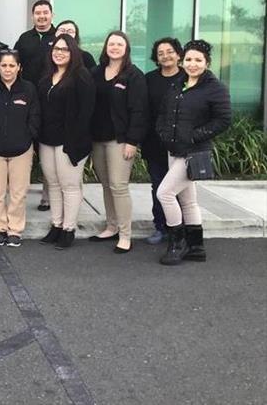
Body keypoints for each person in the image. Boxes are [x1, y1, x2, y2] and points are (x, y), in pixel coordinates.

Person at [155, 39, 231, 265]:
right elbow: (163, 113)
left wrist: (195, 136)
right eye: (189, 59)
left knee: (165, 194)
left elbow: (224, 120)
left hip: (194, 152)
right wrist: (162, 132)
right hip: (174, 149)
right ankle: (197, 247)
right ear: (182, 60)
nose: (192, 64)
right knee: (187, 200)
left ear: (206, 63)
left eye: (198, 60)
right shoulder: (178, 84)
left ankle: (177, 244)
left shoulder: (215, 88)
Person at [89, 31, 148, 254]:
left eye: (119, 44)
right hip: (97, 139)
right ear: (105, 47)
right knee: (106, 184)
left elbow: (139, 111)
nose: (114, 47)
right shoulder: (96, 73)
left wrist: (132, 141)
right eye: (111, 44)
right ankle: (111, 226)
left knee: (118, 185)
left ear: (126, 49)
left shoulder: (133, 75)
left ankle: (125, 234)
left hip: (120, 140)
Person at [38, 34, 96, 249]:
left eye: (64, 49)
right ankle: (56, 224)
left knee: (69, 186)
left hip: (70, 142)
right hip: (47, 141)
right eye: (56, 49)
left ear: (73, 52)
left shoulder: (81, 77)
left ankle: (68, 228)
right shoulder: (47, 76)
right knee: (53, 184)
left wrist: (75, 143)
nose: (59, 52)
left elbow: (86, 113)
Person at [0, 50, 40, 248]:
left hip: (21, 150)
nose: (7, 69)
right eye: (4, 65)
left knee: (18, 193)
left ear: (19, 68)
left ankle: (15, 229)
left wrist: (28, 135)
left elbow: (35, 116)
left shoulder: (28, 89)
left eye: (11, 65)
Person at [141, 37, 186, 245]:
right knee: (158, 186)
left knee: (180, 189)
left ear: (178, 54)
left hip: (182, 144)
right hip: (154, 142)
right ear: (156, 58)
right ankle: (161, 226)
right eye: (161, 53)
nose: (166, 56)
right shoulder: (149, 79)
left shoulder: (188, 78)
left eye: (170, 51)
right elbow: (143, 110)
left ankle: (180, 228)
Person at [14, 0, 57, 211]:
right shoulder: (24, 39)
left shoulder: (59, 38)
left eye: (45, 13)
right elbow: (15, 65)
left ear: (52, 15)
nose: (41, 16)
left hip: (51, 99)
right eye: (37, 13)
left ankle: (47, 197)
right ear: (32, 16)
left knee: (48, 147)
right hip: (28, 99)